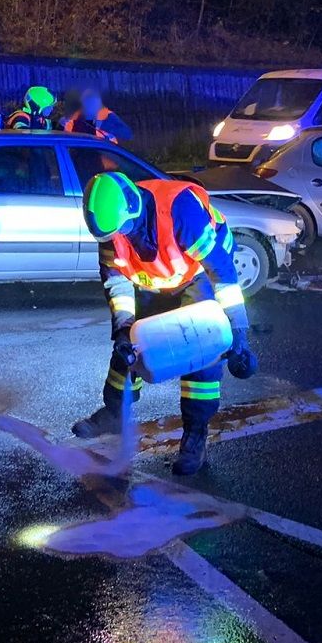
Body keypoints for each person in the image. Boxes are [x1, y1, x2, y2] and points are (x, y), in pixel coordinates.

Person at [74, 171, 257, 474]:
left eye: (125, 230)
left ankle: (196, 435)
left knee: (200, 351)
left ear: (135, 208)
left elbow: (222, 272)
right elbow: (116, 283)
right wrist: (123, 328)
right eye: (115, 234)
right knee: (130, 346)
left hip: (199, 274)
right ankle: (115, 413)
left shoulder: (180, 212)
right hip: (157, 280)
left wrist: (238, 330)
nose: (122, 238)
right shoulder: (110, 228)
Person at [63, 87, 133, 143]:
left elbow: (127, 134)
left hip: (105, 152)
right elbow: (66, 137)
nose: (90, 105)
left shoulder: (108, 116)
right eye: (87, 103)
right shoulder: (75, 119)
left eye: (93, 102)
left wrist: (106, 131)